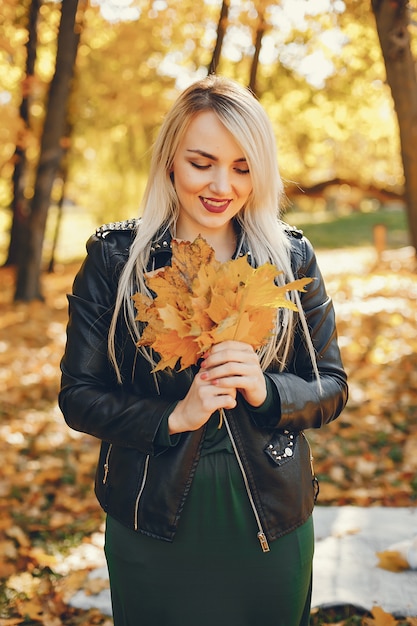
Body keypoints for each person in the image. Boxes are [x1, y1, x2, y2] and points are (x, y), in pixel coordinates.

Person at [59, 75, 348, 626]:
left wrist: (268, 391)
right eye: (202, 162)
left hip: (270, 517)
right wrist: (175, 415)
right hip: (152, 517)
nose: (222, 185)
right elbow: (79, 396)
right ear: (170, 160)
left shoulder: (289, 259)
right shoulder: (116, 260)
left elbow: (330, 386)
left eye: (242, 167)